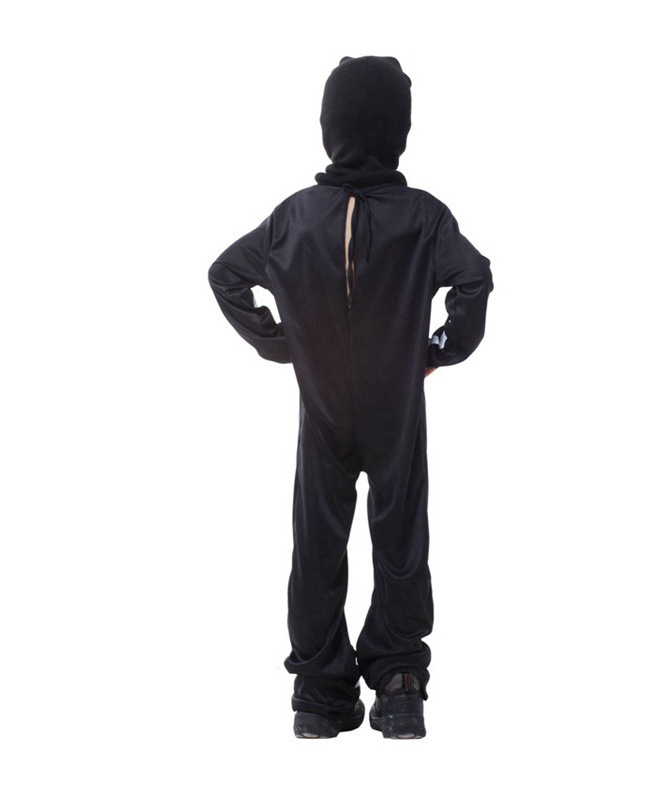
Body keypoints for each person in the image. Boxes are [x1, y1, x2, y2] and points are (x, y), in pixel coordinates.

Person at [207, 55, 494, 739]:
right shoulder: (423, 217)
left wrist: (283, 343)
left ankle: (318, 693)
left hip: (324, 406)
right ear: (400, 131)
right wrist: (436, 351)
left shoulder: (295, 217)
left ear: (329, 127)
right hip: (396, 407)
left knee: (317, 541)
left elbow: (226, 274)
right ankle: (399, 684)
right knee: (400, 538)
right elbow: (474, 279)